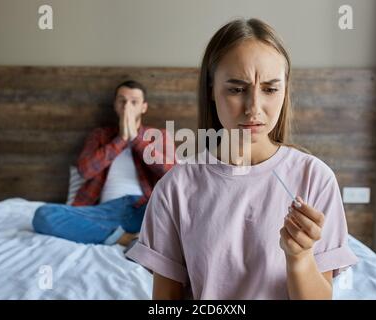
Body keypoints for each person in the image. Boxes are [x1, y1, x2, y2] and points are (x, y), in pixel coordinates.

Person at [126, 18, 358, 299]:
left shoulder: (315, 179)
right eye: (236, 89)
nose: (254, 109)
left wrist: (300, 257)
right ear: (211, 89)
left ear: (285, 91)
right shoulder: (174, 189)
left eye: (270, 89)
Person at [32, 80, 175, 247]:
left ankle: (130, 235)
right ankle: (125, 238)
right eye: (122, 100)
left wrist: (135, 139)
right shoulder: (100, 135)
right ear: (115, 105)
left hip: (144, 207)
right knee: (44, 215)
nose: (127, 106)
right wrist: (121, 139)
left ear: (143, 107)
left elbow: (172, 173)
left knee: (180, 214)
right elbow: (85, 170)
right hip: (105, 211)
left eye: (134, 102)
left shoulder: (159, 136)